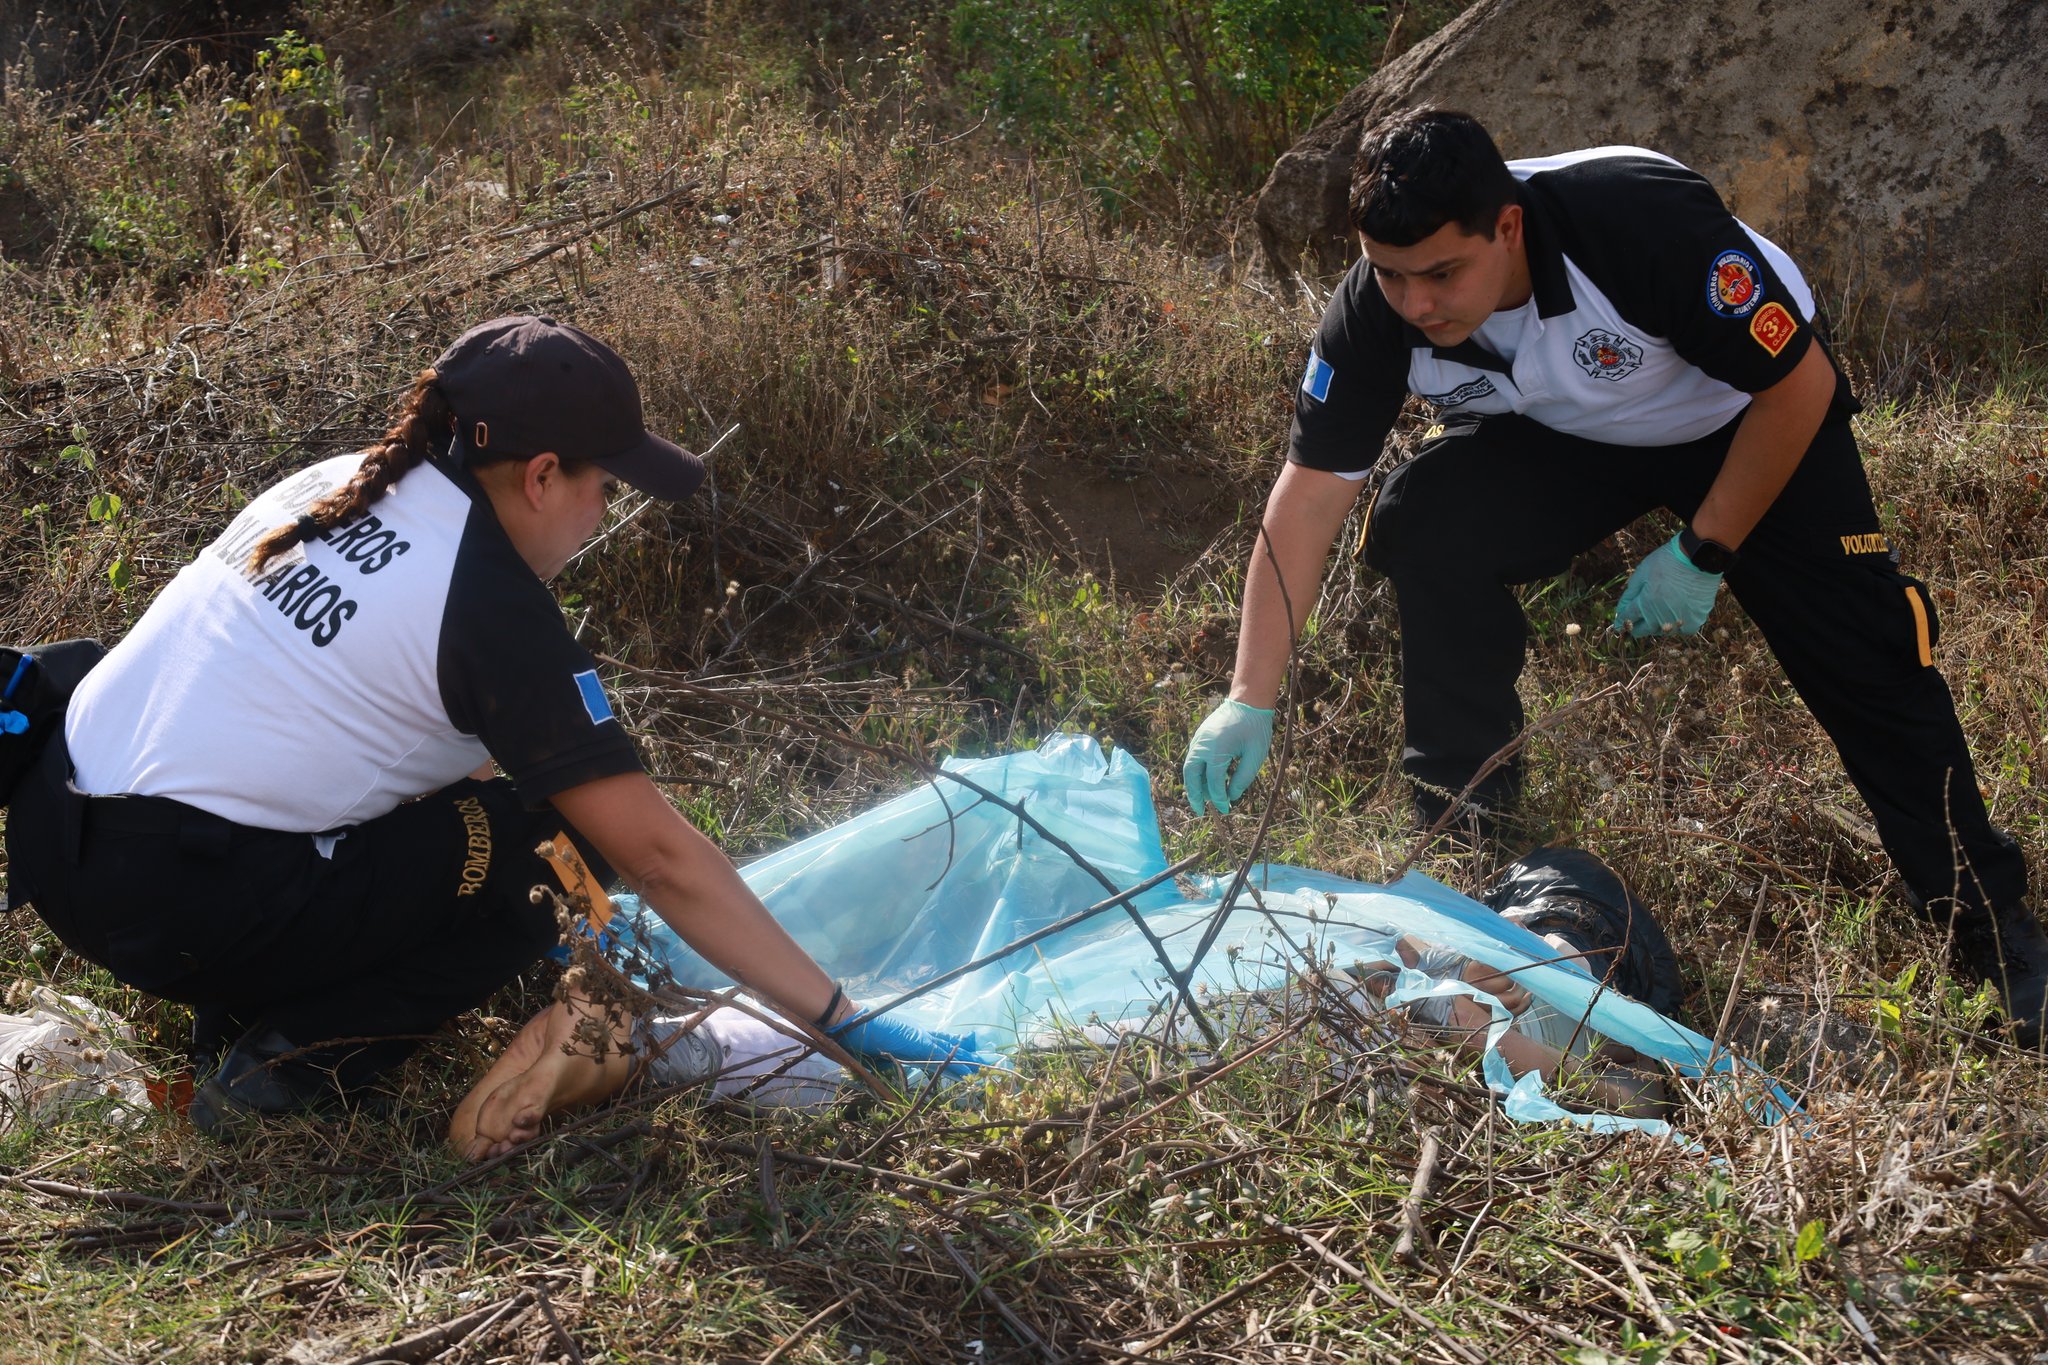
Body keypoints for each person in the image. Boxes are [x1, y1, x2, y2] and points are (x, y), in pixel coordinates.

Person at [1180, 108, 2047, 1046]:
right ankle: (1470, 835)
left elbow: (1799, 387)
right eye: (1391, 275)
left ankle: (1987, 925)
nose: (1417, 303)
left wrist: (1702, 549)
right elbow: (1308, 497)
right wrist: (1249, 694)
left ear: (1506, 226)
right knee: (1427, 524)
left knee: (1866, 650)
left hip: (1743, 412)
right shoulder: (1377, 310)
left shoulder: (1637, 223)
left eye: (1442, 273)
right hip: (1578, 430)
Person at [4, 315, 992, 1134]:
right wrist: (839, 1017)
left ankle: (247, 1012)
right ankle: (291, 1066)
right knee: (564, 855)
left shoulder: (340, 482)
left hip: (58, 844)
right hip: (176, 904)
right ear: (541, 475)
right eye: (602, 488)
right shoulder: (486, 607)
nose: (600, 515)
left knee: (485, 819)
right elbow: (660, 857)